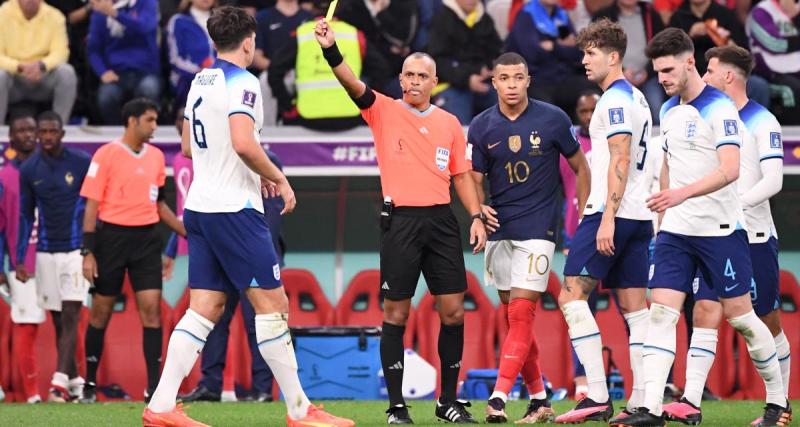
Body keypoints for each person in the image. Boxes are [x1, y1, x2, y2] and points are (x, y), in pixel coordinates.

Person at [142, 7, 353, 427]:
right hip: (233, 210)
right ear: (249, 42)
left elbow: (186, 145)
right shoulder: (244, 81)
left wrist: (241, 170)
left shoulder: (199, 80)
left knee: (203, 308)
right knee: (274, 305)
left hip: (200, 207)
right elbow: (242, 142)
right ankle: (299, 411)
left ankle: (161, 406)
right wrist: (279, 178)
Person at [315, 16, 488, 425]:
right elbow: (350, 82)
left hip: (442, 222)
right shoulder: (383, 111)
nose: (413, 81)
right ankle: (397, 407)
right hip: (400, 223)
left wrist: (477, 215)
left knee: (453, 312)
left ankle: (447, 401)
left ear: (434, 81)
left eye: (421, 76)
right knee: (395, 314)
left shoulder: (449, 124)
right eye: (408, 74)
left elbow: (461, 176)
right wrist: (329, 48)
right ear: (400, 78)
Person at [617, 28, 788, 427]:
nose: (662, 78)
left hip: (721, 230)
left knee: (743, 318)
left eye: (668, 69)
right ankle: (652, 409)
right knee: (661, 313)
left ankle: (777, 402)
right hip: (676, 232)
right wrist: (663, 217)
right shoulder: (669, 111)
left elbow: (729, 170)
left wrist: (682, 194)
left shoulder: (721, 109)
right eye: (658, 71)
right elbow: (667, 165)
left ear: (690, 62)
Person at [661, 45, 792, 426]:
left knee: (764, 320)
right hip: (712, 235)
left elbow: (773, 180)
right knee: (704, 310)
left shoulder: (761, 120)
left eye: (710, 70)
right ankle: (689, 400)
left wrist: (736, 206)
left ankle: (779, 407)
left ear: (728, 77)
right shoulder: (703, 116)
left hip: (753, 236)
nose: (703, 76)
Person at [470, 52, 590, 424]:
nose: (510, 85)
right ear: (494, 82)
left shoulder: (553, 119)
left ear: (527, 80)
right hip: (499, 231)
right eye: (503, 78)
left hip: (540, 230)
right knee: (515, 321)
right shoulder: (480, 126)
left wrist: (585, 217)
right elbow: (473, 177)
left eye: (517, 78)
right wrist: (477, 211)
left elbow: (581, 168)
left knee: (522, 313)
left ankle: (499, 397)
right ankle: (540, 399)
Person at [556, 18, 654, 424]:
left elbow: (619, 156)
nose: (584, 61)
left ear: (613, 57)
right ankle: (643, 402)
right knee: (635, 309)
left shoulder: (613, 101)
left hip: (609, 213)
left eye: (591, 53)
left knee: (570, 295)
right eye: (583, 53)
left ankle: (596, 393)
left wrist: (607, 218)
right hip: (640, 214)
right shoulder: (639, 99)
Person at [167, 109, 280, 403]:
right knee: (211, 318)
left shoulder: (267, 163)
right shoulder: (215, 165)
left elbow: (271, 217)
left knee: (259, 319)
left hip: (250, 253)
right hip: (220, 253)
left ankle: (262, 388)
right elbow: (196, 209)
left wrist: (266, 256)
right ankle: (210, 384)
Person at [79, 98, 187, 403]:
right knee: (100, 312)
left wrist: (186, 232)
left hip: (146, 241)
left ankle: (154, 389)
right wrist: (88, 251)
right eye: (150, 120)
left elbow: (160, 204)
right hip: (110, 239)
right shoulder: (106, 154)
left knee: (152, 311)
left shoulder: (155, 157)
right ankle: (88, 384)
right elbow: (91, 206)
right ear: (132, 121)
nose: (155, 126)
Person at [15, 111, 91, 402]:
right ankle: (75, 382)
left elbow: (93, 206)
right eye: (42, 132)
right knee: (58, 320)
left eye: (51, 131)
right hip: (46, 251)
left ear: (61, 133)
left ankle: (57, 382)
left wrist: (92, 247)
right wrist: (21, 258)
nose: (46, 137)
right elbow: (25, 215)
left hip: (75, 250)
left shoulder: (81, 162)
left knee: (72, 314)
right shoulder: (29, 169)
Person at [0, 113, 45, 403]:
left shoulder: (54, 167)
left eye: (32, 129)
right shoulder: (4, 176)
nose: (28, 134)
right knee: (26, 323)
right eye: (21, 130)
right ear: (11, 138)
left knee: (71, 322)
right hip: (23, 265)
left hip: (58, 256)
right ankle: (31, 395)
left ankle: (74, 387)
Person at [0, 0, 77, 125]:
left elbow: (61, 53)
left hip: (43, 77)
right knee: (0, 75)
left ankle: (58, 129)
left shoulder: (55, 16)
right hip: (13, 79)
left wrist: (41, 66)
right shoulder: (2, 14)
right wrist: (18, 67)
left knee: (67, 73)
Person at [427, 0, 503, 124]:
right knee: (458, 124)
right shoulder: (441, 19)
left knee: (507, 108)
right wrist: (467, 79)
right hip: (450, 83)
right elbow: (437, 61)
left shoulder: (484, 19)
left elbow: (496, 50)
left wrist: (491, 68)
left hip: (483, 81)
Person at [87, 0, 161, 124]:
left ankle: (144, 131)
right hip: (116, 73)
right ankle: (118, 134)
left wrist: (115, 14)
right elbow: (93, 49)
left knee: (148, 90)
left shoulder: (147, 3)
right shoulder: (101, 10)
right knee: (106, 97)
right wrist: (102, 72)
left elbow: (145, 27)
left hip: (146, 71)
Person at [166, 0, 217, 111]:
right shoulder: (178, 21)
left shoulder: (223, 21)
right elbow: (175, 59)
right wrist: (199, 72)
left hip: (220, 77)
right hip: (188, 79)